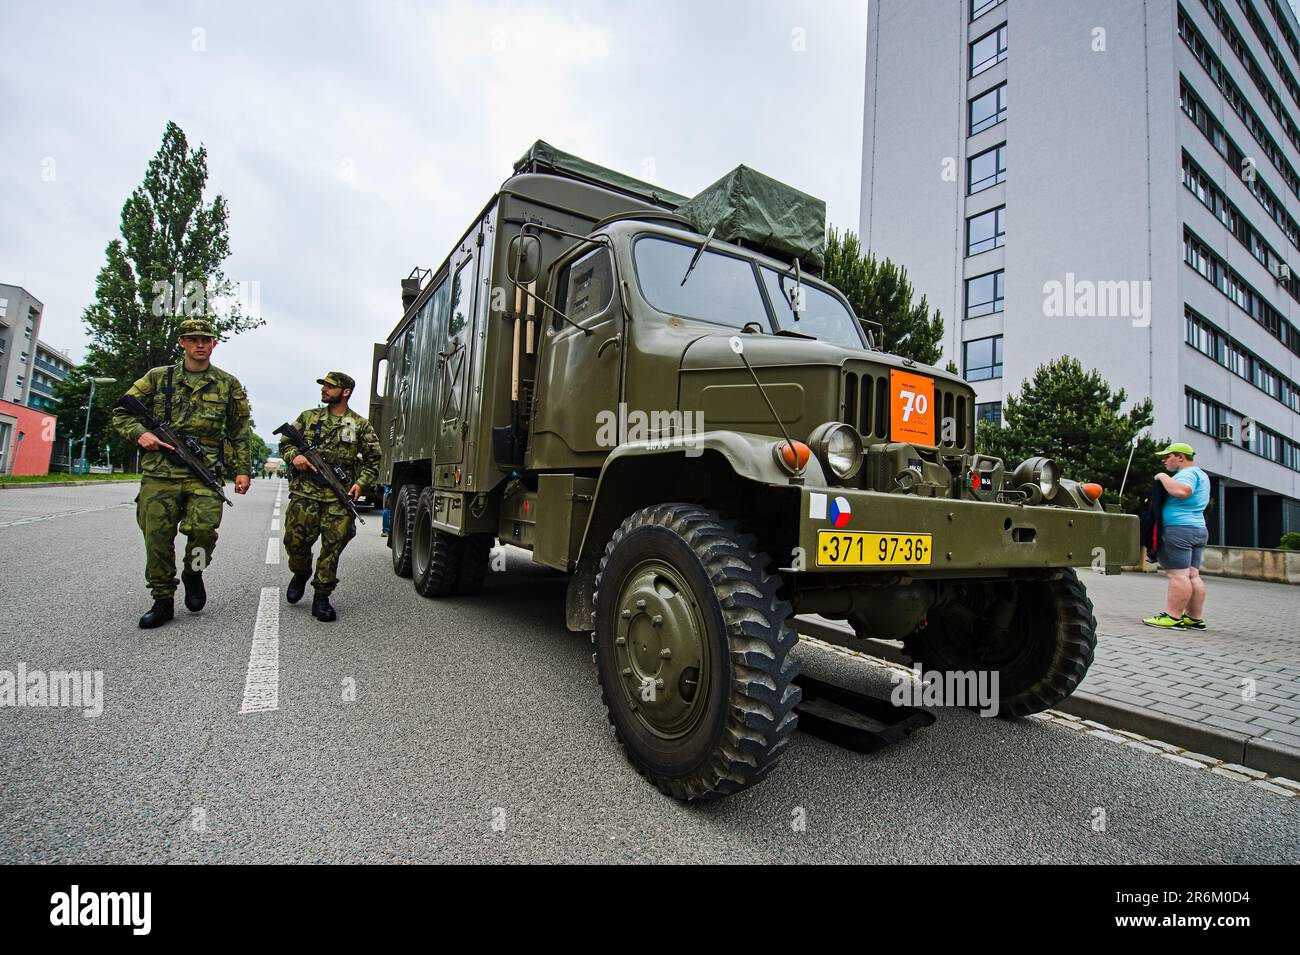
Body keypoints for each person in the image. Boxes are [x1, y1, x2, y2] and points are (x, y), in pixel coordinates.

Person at [112, 318, 252, 628]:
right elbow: (122, 411)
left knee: (203, 532)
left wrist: (243, 470)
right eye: (193, 339)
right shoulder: (158, 378)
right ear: (182, 342)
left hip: (205, 472)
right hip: (161, 471)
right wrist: (140, 434)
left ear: (214, 344)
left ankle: (194, 572)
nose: (200, 344)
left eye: (206, 339)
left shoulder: (229, 384)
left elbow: (240, 430)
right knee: (158, 539)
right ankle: (162, 600)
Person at [280, 372, 381, 622]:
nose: (324, 389)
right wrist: (295, 456)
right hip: (305, 493)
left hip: (339, 495)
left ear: (345, 392)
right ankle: (301, 572)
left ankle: (322, 596)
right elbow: (285, 442)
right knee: (295, 543)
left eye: (330, 386)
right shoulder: (308, 417)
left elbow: (373, 460)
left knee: (332, 547)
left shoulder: (359, 425)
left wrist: (360, 483)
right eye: (323, 385)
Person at [1142, 442, 1210, 631]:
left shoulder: (1186, 474)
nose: (1164, 460)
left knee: (1177, 575)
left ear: (1181, 457)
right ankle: (1194, 618)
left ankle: (1172, 616)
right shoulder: (1202, 475)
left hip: (1178, 529)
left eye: (1167, 456)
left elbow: (1182, 492)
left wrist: (1163, 477)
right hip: (1198, 529)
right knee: (1192, 574)